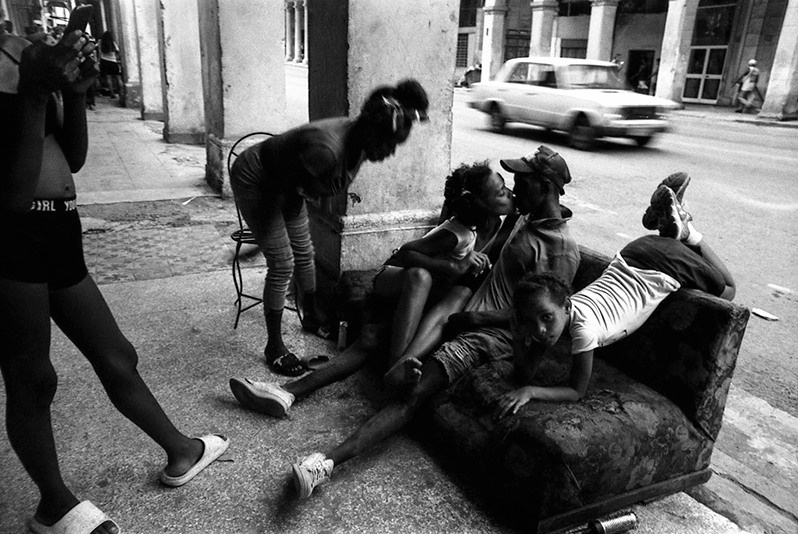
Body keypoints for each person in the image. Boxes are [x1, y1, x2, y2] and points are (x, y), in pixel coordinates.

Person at [0, 16, 228, 534]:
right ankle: (54, 504)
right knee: (33, 379)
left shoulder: (22, 52)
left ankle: (181, 450)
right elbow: (12, 196)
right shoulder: (25, 68)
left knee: (117, 354)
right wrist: (36, 89)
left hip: (59, 229)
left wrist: (75, 92)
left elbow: (72, 159)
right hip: (9, 238)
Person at [288, 146, 581, 499]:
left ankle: (324, 465)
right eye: (510, 184)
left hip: (491, 334)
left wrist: (477, 319)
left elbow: (547, 325)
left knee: (415, 393)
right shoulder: (526, 217)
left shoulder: (560, 249)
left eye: (522, 182)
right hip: (465, 307)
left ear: (546, 187)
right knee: (373, 335)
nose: (514, 189)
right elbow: (470, 224)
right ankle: (289, 391)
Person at [229, 160, 515, 414]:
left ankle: (287, 392)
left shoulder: (499, 225)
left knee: (369, 340)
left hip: (424, 298)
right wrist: (453, 267)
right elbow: (404, 255)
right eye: (501, 191)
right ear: (480, 204)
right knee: (420, 277)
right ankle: (396, 366)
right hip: (399, 279)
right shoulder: (458, 232)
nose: (509, 193)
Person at [230, 79, 429, 377]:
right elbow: (280, 192)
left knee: (304, 252)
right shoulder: (327, 149)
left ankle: (310, 315)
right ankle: (274, 346)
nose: (390, 153)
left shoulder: (361, 140)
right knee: (282, 263)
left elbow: (312, 187)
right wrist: (261, 243)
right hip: (259, 179)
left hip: (289, 184)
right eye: (389, 145)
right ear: (374, 135)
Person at [495, 175, 735, 415]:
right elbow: (523, 374)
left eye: (545, 318)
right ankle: (671, 221)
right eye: (529, 322)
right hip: (633, 253)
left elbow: (576, 391)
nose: (540, 330)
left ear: (567, 306)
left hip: (662, 264)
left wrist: (530, 391)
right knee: (686, 253)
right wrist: (518, 336)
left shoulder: (583, 329)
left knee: (729, 290)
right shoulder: (549, 317)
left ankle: (688, 232)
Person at [98, 30, 121, 99]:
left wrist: (99, 62)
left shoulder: (100, 43)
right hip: (113, 62)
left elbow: (99, 52)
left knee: (108, 78)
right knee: (118, 78)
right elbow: (118, 52)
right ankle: (122, 92)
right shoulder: (113, 44)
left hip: (105, 61)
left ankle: (112, 93)